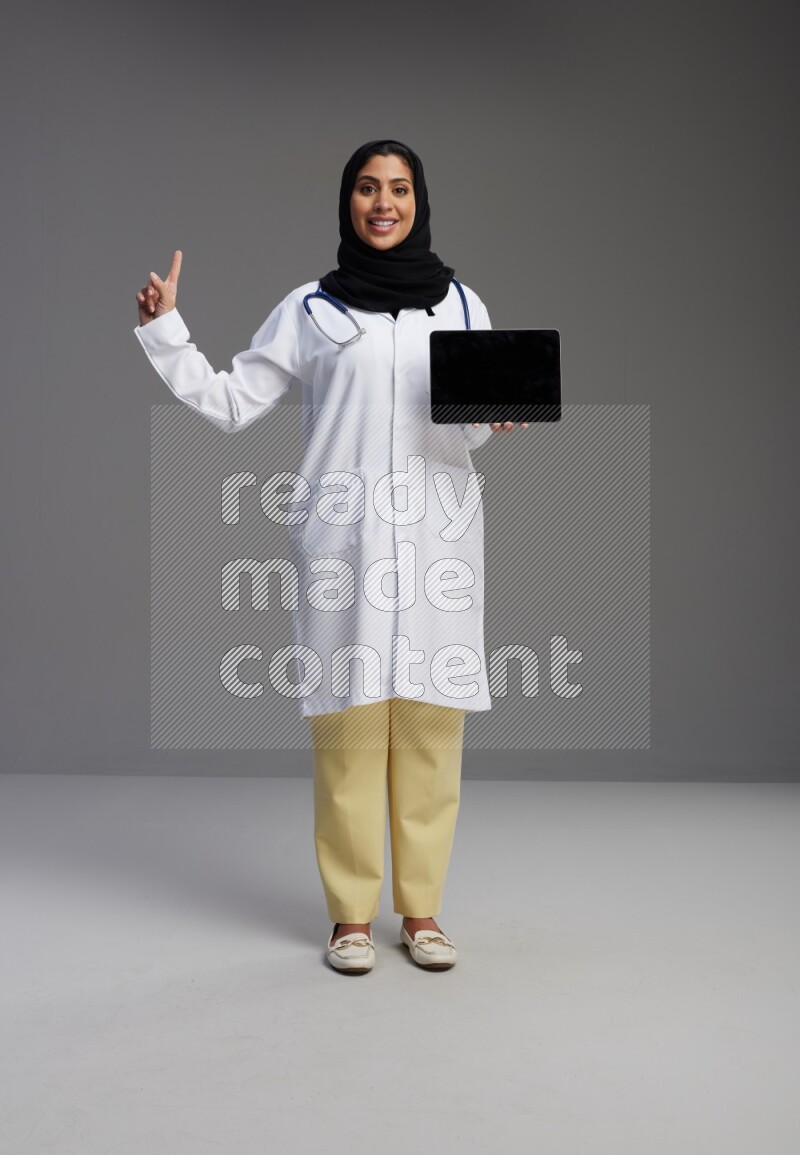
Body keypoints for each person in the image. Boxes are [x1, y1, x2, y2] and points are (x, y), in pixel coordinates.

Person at [134, 139, 528, 975]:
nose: (383, 202)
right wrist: (167, 331)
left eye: (398, 188)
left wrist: (494, 417)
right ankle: (351, 916)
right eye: (367, 188)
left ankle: (420, 911)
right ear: (347, 202)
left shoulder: (461, 306)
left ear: (420, 201)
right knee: (347, 730)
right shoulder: (310, 309)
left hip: (435, 544)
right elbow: (237, 402)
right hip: (342, 543)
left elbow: (458, 430)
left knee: (428, 725)